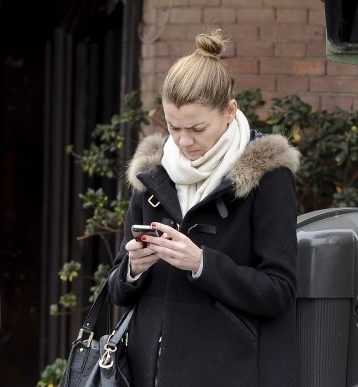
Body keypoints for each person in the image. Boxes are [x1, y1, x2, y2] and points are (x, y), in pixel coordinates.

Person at [107, 30, 300, 387]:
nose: (183, 141)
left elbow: (279, 292)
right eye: (173, 126)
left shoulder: (267, 176)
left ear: (229, 111)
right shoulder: (152, 172)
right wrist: (132, 269)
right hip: (146, 373)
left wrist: (201, 264)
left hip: (229, 372)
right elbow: (118, 291)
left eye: (197, 128)